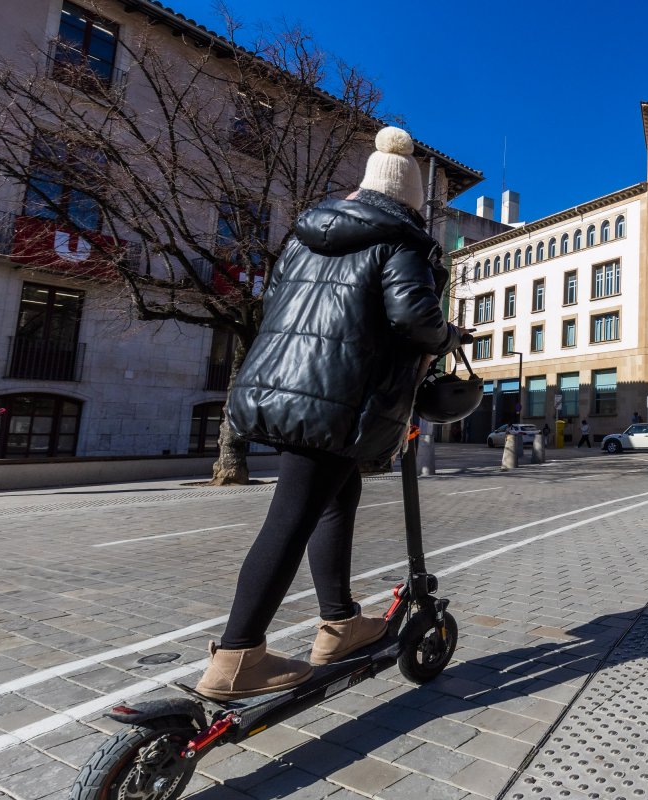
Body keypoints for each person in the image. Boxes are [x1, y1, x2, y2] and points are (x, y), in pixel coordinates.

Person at [195, 127, 469, 700]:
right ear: (412, 201)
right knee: (291, 516)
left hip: (284, 382)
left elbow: (281, 303)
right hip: (334, 397)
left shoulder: (305, 236)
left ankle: (340, 622)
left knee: (335, 504)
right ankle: (237, 657)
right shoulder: (402, 240)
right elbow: (413, 317)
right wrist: (448, 337)